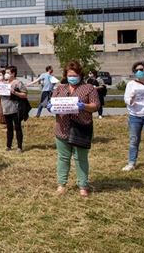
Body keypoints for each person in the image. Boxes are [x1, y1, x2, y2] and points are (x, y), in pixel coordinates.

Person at [48, 60, 99, 197]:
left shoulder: (89, 88)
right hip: (62, 128)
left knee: (81, 158)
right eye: (70, 75)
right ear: (65, 75)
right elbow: (52, 103)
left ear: (80, 75)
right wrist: (50, 106)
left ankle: (83, 185)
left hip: (81, 127)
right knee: (63, 158)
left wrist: (84, 106)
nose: (72, 77)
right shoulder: (60, 88)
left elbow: (96, 106)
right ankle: (61, 184)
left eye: (75, 75)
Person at [0, 66, 28, 153]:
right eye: (6, 72)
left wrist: (15, 92)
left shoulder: (18, 83)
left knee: (18, 127)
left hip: (15, 109)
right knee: (9, 128)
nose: (6, 74)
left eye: (8, 72)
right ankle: (8, 145)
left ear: (13, 73)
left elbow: (25, 94)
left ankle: (19, 147)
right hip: (6, 108)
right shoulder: (4, 83)